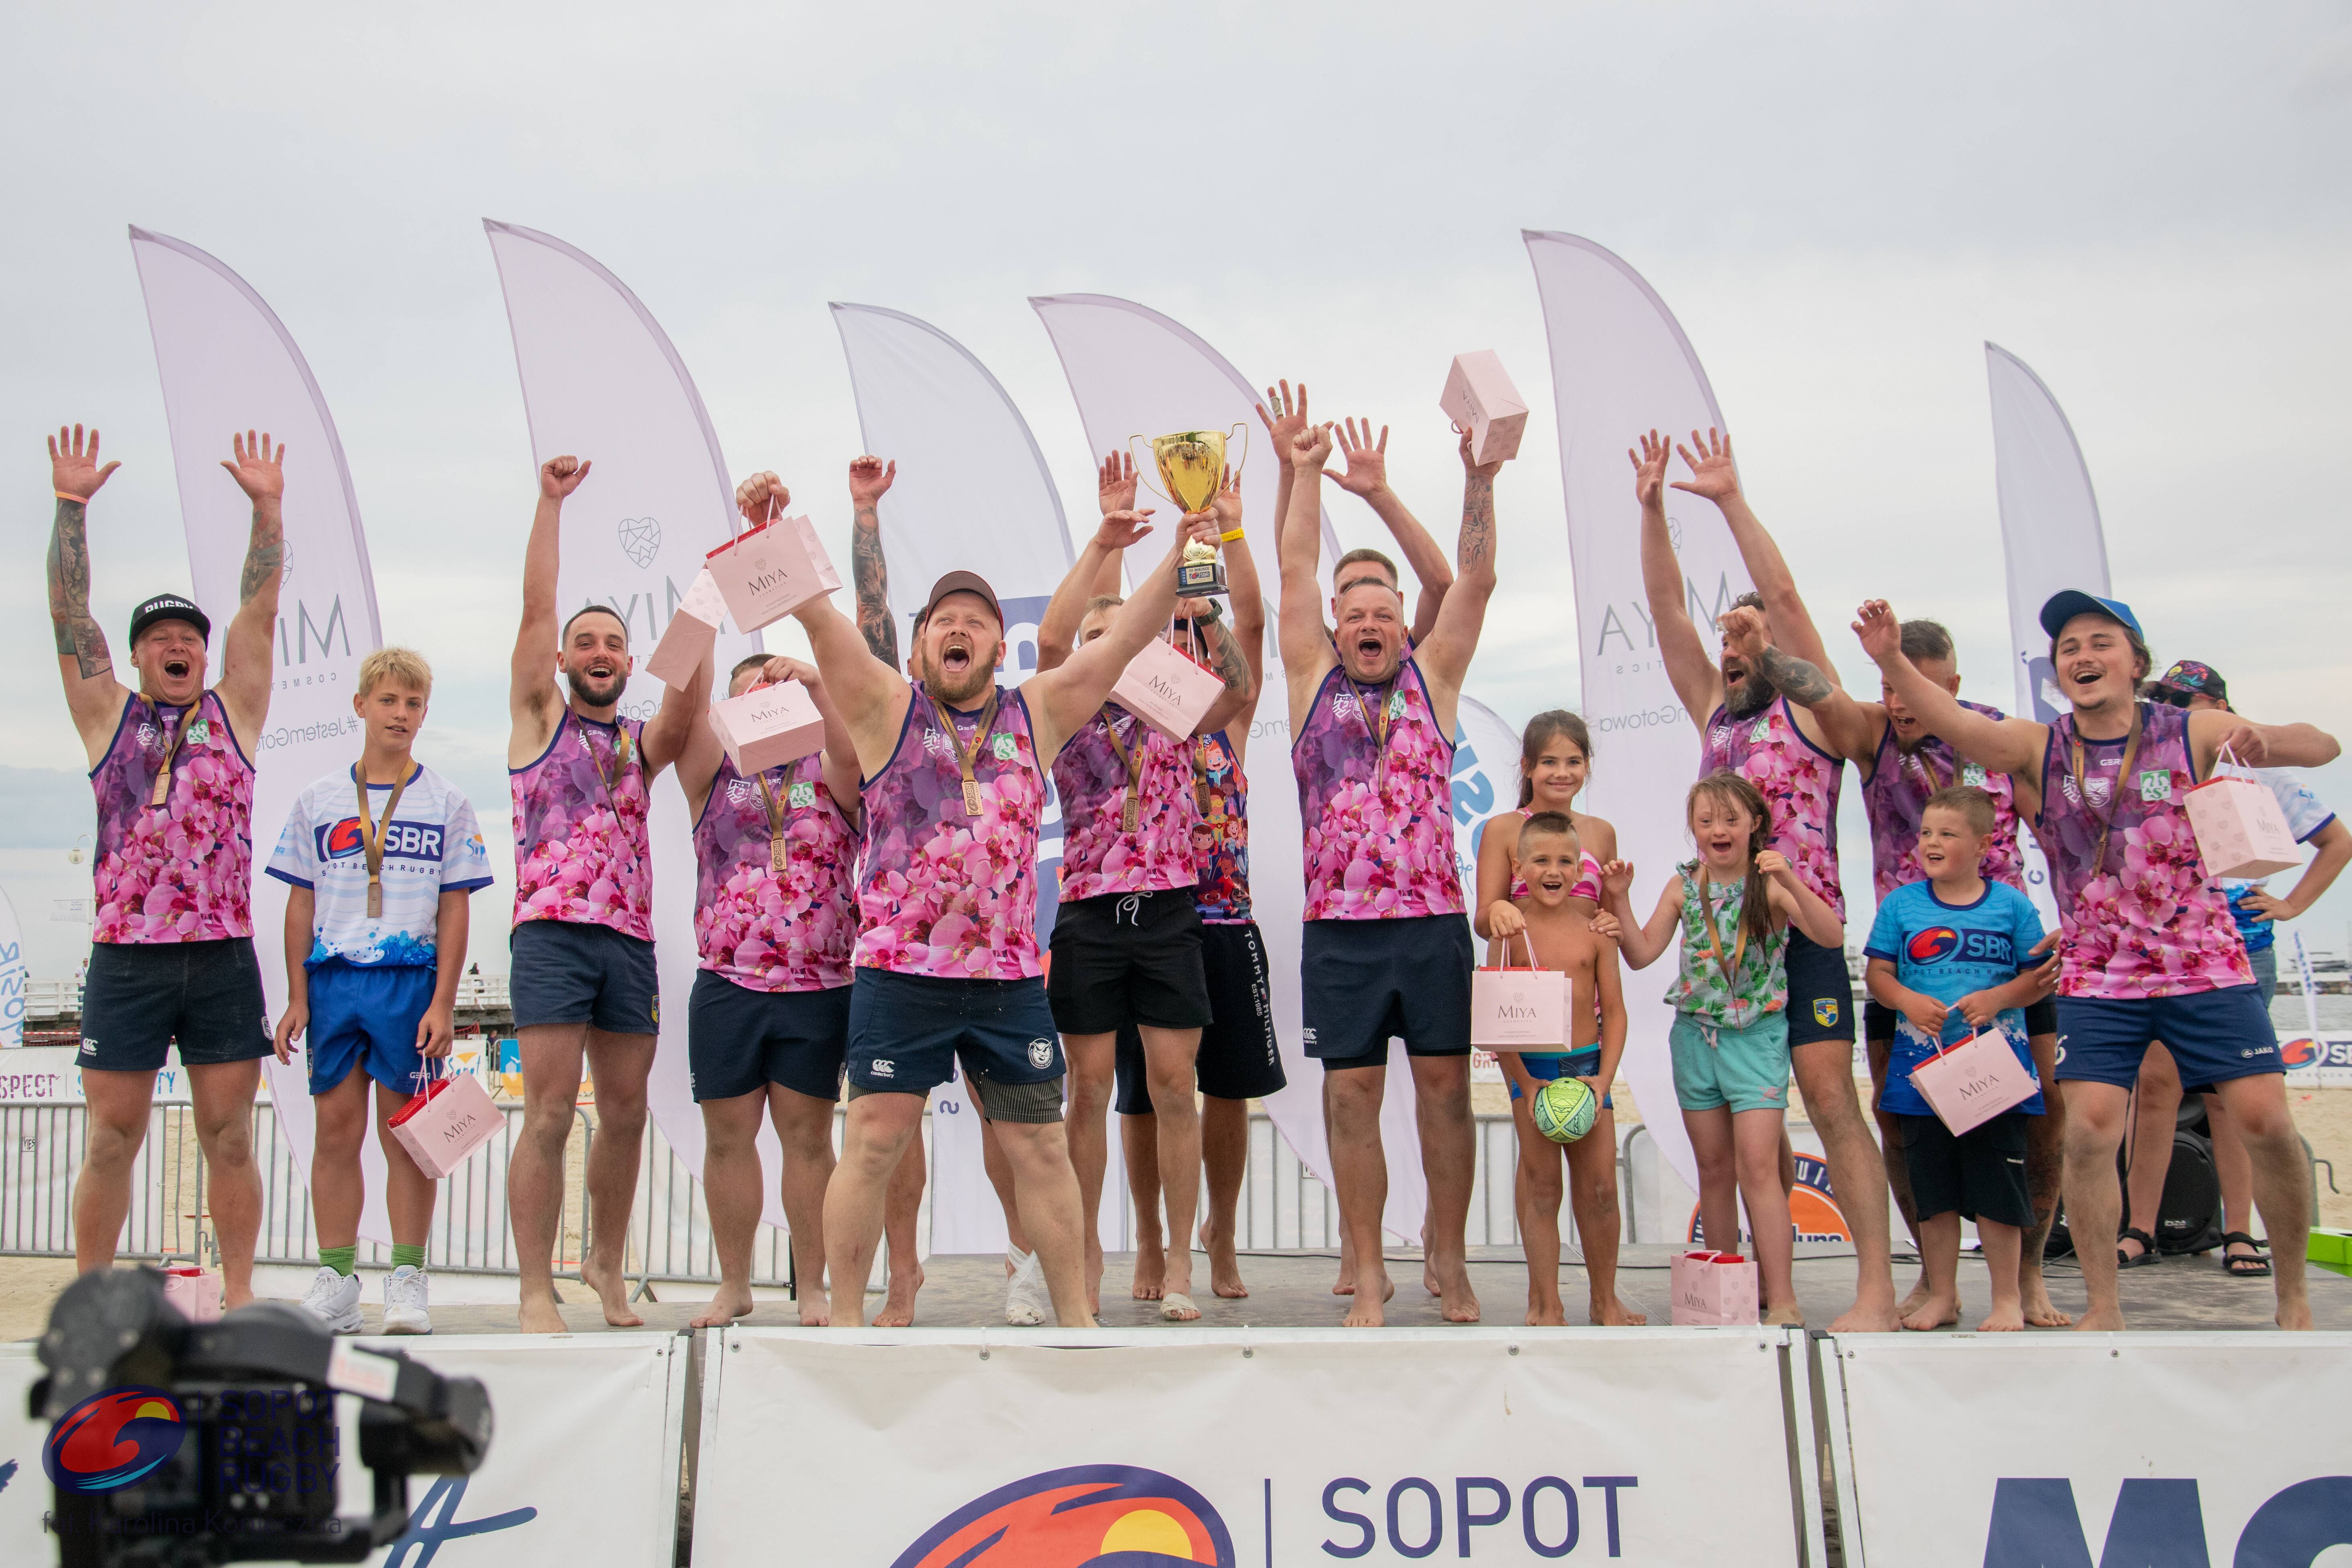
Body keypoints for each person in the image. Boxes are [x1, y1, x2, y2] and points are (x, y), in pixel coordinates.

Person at [789, 455, 1221, 1329]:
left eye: (977, 622)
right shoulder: (884, 708)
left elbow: (1129, 637)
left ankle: (1077, 1320)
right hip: (901, 972)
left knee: (1042, 1149)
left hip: (1008, 980)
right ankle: (841, 1324)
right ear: (919, 646)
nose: (960, 630)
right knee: (871, 1140)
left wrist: (1180, 551)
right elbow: (822, 618)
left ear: (999, 643)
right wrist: (772, 534)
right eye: (943, 620)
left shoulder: (1040, 709)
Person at [1860, 591, 2340, 1331]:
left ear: (2134, 662)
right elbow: (1957, 725)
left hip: (2204, 963)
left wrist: (2259, 740)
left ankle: (2293, 1299)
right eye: (2069, 648)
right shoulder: (2040, 747)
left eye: (2099, 643)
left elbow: (2321, 744)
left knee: (2265, 1123)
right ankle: (2104, 1310)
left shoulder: (2192, 730)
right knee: (2086, 1131)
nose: (2082, 656)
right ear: (2058, 673)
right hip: (2100, 973)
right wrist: (1891, 660)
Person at [1712, 608, 2070, 1327]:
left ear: (1952, 684)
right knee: (1900, 1119)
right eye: (1891, 685)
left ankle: (2026, 1279)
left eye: (1918, 688)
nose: (1902, 702)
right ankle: (1933, 1279)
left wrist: (2071, 925)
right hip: (1903, 969)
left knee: (2038, 1115)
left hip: (2008, 968)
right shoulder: (1877, 736)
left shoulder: (1996, 742)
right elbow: (1815, 684)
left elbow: (2062, 835)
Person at [1632, 427, 1901, 1332]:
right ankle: (1746, 1289)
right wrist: (1650, 512)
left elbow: (1783, 598)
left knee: (1831, 1103)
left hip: (1801, 934)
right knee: (1745, 1149)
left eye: (1749, 636)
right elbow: (1667, 611)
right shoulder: (1716, 707)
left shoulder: (1816, 711)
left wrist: (1729, 502)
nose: (1734, 642)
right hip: (1720, 963)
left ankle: (1874, 1287)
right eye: (1730, 635)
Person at [48, 423, 285, 1311]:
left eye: (190, 634)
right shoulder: (109, 716)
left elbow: (259, 610)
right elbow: (69, 618)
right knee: (111, 1137)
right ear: (140, 654)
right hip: (128, 954)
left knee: (231, 1136)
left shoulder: (237, 711)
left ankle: (238, 1291)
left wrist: (268, 508)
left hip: (222, 953)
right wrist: (71, 510)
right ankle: (90, 1301)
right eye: (161, 638)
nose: (178, 644)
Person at [1278, 413, 1502, 1328]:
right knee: (1352, 1092)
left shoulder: (1431, 679)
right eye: (1353, 611)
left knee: (1446, 1091)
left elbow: (1475, 577)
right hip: (1339, 933)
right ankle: (1366, 1268)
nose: (1368, 622)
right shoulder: (1308, 679)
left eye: (1384, 611)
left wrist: (1470, 479)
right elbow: (1292, 572)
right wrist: (1304, 472)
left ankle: (1445, 1252)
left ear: (1403, 625)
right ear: (1335, 626)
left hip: (1432, 923)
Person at [1031, 463, 1254, 1321]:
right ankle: (1087, 1249)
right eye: (1103, 633)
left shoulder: (1170, 700)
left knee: (1174, 1082)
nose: (1109, 643)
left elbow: (1236, 689)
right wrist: (1102, 548)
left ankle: (1184, 1265)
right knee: (1087, 1090)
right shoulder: (1062, 712)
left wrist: (1201, 610)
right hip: (1089, 910)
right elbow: (1053, 645)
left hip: (1168, 907)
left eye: (1123, 631)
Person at [505, 453, 701, 1332]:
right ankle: (533, 1284)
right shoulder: (538, 720)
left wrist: (718, 579)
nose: (599, 652)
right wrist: (550, 506)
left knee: (624, 1113)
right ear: (562, 659)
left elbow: (687, 708)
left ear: (627, 662)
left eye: (613, 643)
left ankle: (605, 1263)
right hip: (550, 931)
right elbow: (536, 609)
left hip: (627, 940)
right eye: (585, 642)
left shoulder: (639, 744)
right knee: (548, 1112)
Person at [1097, 471, 1287, 1306]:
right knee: (1142, 1095)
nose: (1177, 641)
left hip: (1224, 921)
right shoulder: (1128, 722)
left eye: (1188, 633)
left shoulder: (1224, 719)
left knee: (1228, 1092)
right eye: (1163, 630)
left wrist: (1229, 545)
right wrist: (1121, 543)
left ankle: (1222, 1235)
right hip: (1147, 922)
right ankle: (1149, 1239)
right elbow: (1105, 628)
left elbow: (1249, 627)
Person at [267, 648, 492, 1335]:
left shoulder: (447, 801)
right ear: (361, 705)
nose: (401, 714)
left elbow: (455, 907)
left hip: (409, 981)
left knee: (409, 1139)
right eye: (389, 701)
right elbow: (300, 904)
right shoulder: (318, 800)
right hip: (335, 981)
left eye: (414, 703)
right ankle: (336, 1280)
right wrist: (298, 995)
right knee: (336, 1134)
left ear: (425, 713)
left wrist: (444, 1000)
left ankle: (407, 1279)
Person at [2118, 659, 2350, 1277]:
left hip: (2243, 948)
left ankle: (2239, 1231)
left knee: (2231, 1097)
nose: (2169, 710)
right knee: (2155, 1087)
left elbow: (2337, 831)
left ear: (2220, 705)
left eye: (2182, 701)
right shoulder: (2150, 767)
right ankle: (2139, 1227)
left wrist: (2292, 903)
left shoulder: (2253, 767)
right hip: (2164, 951)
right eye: (2160, 699)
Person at [1605, 773, 1845, 1326]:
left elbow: (1831, 937)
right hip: (1694, 1037)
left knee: (1758, 1167)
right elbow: (1641, 955)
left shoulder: (1772, 882)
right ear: (1692, 828)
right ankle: (1723, 1292)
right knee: (1714, 1170)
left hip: (1756, 1039)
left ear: (1754, 824)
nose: (1719, 830)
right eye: (1706, 820)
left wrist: (1792, 878)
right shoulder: (1682, 885)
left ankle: (1781, 1295)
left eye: (1731, 819)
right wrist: (1617, 900)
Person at [1862, 787, 2055, 1332]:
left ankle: (2006, 1300)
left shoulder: (2012, 904)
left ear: (1983, 844)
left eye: (1947, 833)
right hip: (1921, 1079)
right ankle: (1942, 1295)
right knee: (1934, 1194)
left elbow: (2038, 980)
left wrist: (1998, 999)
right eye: (1925, 832)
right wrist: (1905, 1000)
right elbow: (1877, 976)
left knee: (1998, 1191)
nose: (1932, 842)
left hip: (1994, 1075)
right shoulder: (1900, 905)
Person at [1485, 811, 1638, 1326]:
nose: (1554, 870)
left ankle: (1605, 1299)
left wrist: (1602, 1081)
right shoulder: (1508, 931)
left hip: (1587, 1070)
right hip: (1533, 1074)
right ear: (1518, 865)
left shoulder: (1596, 930)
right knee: (1542, 1187)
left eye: (1566, 861)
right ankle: (1544, 1300)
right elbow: (1494, 1016)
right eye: (1542, 859)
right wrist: (1524, 1083)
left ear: (1581, 868)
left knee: (1600, 1190)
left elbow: (1614, 1012)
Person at [1259, 385, 1455, 644]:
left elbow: (1441, 588)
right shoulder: (1320, 659)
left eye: (1376, 586)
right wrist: (1291, 468)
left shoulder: (1417, 656)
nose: (1364, 596)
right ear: (1334, 607)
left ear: (1399, 601)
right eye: (1349, 589)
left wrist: (1379, 493)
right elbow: (1294, 573)